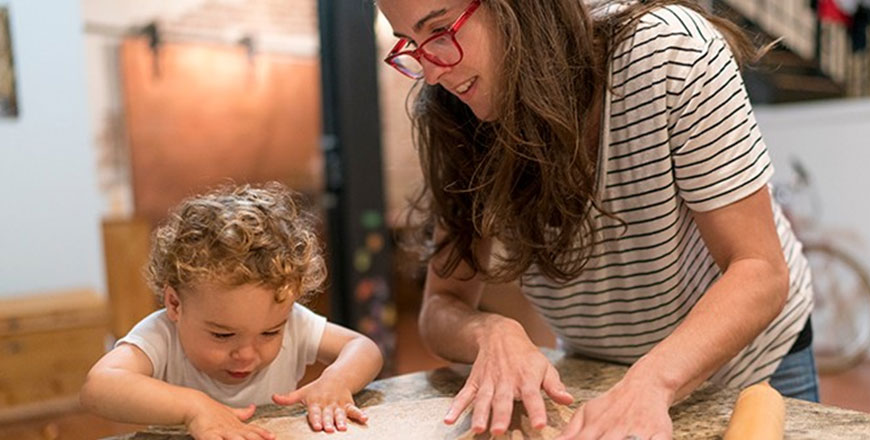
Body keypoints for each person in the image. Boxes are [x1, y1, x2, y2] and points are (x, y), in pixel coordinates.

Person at [376, 0, 816, 438]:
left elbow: (760, 271)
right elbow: (440, 305)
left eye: (440, 31)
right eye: (410, 45)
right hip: (603, 371)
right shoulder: (455, 113)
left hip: (754, 365)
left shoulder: (671, 52)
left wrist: (654, 381)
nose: (432, 72)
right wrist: (490, 332)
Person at [80, 183, 383, 439]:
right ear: (175, 305)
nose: (247, 355)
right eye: (223, 335)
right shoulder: (162, 335)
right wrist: (192, 407)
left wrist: (337, 380)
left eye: (269, 333)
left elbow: (363, 348)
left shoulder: (290, 322)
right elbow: (99, 387)